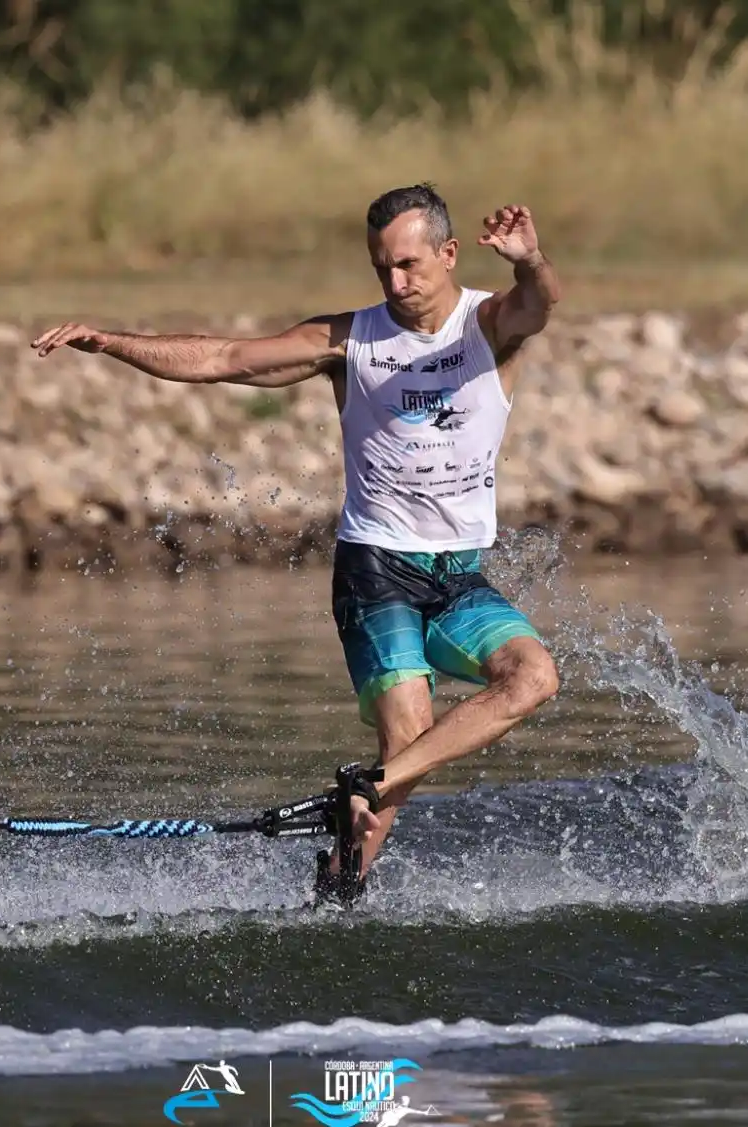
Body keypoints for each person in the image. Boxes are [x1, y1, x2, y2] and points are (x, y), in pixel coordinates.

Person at [31, 184, 561, 903]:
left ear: (448, 252)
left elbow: (538, 302)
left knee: (531, 679)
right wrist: (111, 342)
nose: (395, 283)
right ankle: (341, 894)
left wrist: (528, 261)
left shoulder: (488, 324)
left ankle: (355, 812)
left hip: (459, 574)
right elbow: (223, 357)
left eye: (408, 265)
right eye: (382, 269)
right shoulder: (349, 340)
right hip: (376, 569)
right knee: (409, 736)